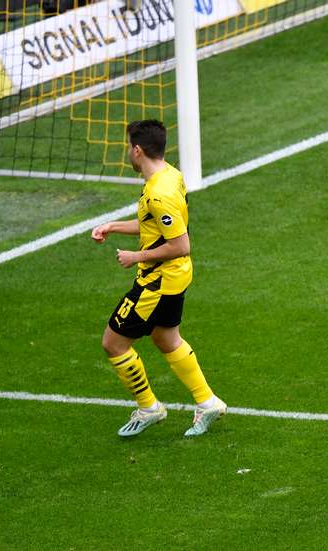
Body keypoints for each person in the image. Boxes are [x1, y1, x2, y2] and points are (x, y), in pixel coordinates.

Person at [91, 120, 227, 437]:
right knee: (167, 339)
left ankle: (149, 408)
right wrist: (113, 226)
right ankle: (208, 402)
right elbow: (154, 226)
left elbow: (180, 244)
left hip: (157, 282)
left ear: (138, 150)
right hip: (175, 276)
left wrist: (135, 257)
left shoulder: (158, 194)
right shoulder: (170, 175)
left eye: (129, 147)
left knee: (113, 344)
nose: (128, 152)